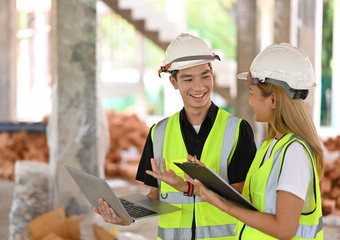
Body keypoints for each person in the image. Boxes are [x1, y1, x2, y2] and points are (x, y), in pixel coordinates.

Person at [94, 33, 256, 240]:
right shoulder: (158, 133)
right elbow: (154, 196)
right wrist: (125, 216)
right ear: (173, 82)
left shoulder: (237, 130)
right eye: (188, 79)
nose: (199, 87)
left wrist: (195, 188)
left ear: (212, 73)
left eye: (205, 76)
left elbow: (243, 200)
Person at [187, 43, 324, 240]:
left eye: (251, 93)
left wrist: (222, 204)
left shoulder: (295, 154)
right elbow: (254, 205)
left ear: (273, 100)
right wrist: (210, 184)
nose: (249, 101)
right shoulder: (269, 145)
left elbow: (284, 230)